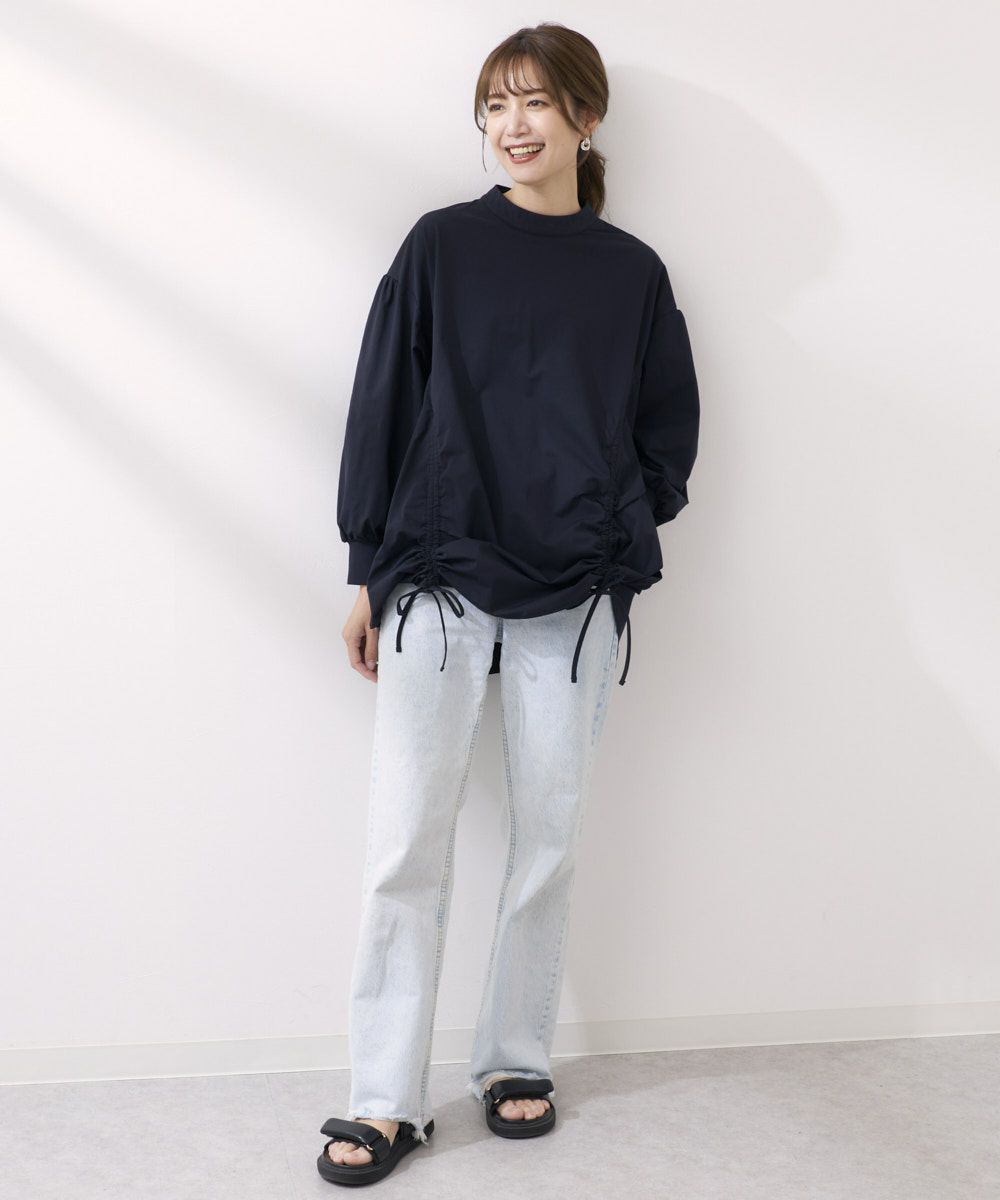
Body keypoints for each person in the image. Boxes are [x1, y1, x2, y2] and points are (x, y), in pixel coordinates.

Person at [317, 21, 700, 1187]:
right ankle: (384, 1099)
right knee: (405, 844)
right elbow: (382, 403)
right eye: (493, 106)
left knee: (548, 840)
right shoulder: (440, 246)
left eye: (533, 102)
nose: (511, 126)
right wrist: (366, 566)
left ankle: (513, 1060)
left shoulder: (631, 274)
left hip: (573, 593)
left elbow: (667, 432)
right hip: (436, 577)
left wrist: (609, 529)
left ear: (586, 117)